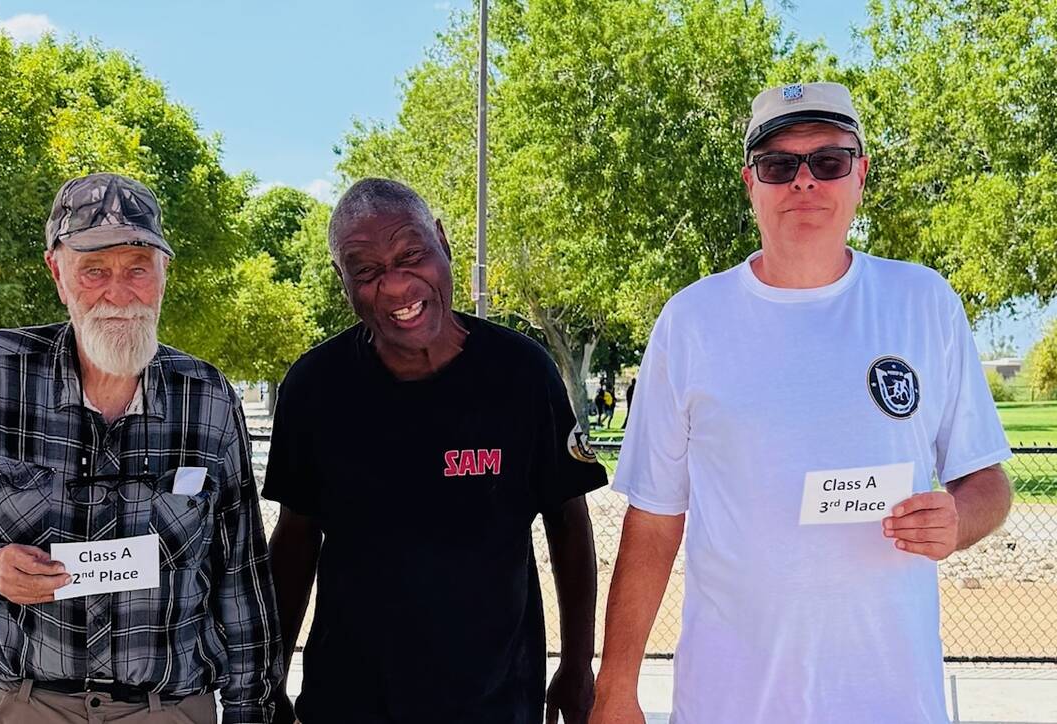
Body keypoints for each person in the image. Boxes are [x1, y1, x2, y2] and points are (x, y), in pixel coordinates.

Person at [590, 82, 1013, 724]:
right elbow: (653, 521)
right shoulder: (692, 321)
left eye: (829, 161)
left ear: (860, 174)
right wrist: (615, 691)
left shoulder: (924, 304)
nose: (804, 181)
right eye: (780, 165)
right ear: (750, 183)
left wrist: (956, 519)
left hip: (892, 702)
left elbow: (989, 483)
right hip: (730, 704)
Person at [0, 172, 282, 724]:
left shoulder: (208, 397)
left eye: (138, 269)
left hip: (169, 710)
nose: (118, 293)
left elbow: (240, 574)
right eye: (94, 271)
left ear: (164, 272)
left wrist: (254, 712)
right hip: (31, 704)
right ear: (57, 271)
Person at [263, 178, 608, 724]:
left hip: (495, 702)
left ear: (443, 243)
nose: (397, 286)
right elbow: (296, 538)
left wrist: (578, 663)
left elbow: (568, 520)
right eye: (367, 271)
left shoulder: (522, 374)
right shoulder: (313, 388)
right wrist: (270, 676)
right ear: (342, 279)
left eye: (412, 254)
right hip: (348, 702)